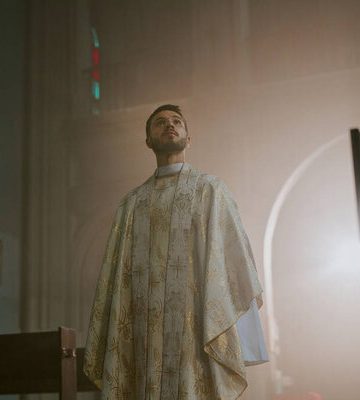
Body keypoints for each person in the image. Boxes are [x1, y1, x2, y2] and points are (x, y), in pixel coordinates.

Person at [84, 104, 267, 399]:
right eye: (160, 123)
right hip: (144, 332)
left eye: (176, 121)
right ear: (148, 142)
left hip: (194, 328)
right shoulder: (132, 204)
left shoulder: (209, 190)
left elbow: (234, 261)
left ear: (188, 139)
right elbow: (115, 281)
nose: (169, 125)